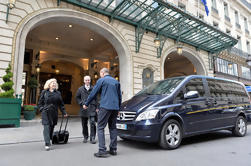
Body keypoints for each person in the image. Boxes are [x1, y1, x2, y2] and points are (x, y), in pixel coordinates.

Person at [83, 68, 122, 158]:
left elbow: (93, 93)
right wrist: (119, 108)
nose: (100, 75)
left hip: (105, 107)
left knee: (100, 127)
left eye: (100, 73)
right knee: (113, 127)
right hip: (115, 107)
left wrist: (86, 103)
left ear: (102, 73)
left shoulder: (102, 80)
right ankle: (113, 149)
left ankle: (102, 150)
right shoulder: (116, 82)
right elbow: (119, 96)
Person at [38, 78, 68, 151]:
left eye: (55, 83)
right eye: (52, 83)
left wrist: (64, 112)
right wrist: (42, 109)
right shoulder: (44, 92)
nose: (54, 84)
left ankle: (50, 138)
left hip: (54, 112)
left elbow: (61, 104)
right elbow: (40, 103)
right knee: (46, 126)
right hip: (46, 112)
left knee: (52, 126)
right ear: (49, 84)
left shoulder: (58, 93)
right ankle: (47, 143)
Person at [76, 75, 98, 144]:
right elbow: (77, 98)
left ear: (90, 80)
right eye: (86, 80)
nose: (87, 81)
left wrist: (97, 107)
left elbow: (97, 98)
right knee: (84, 124)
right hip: (84, 108)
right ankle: (85, 136)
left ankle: (92, 138)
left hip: (92, 107)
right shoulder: (80, 89)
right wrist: (81, 103)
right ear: (84, 81)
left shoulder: (94, 88)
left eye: (88, 80)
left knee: (92, 123)